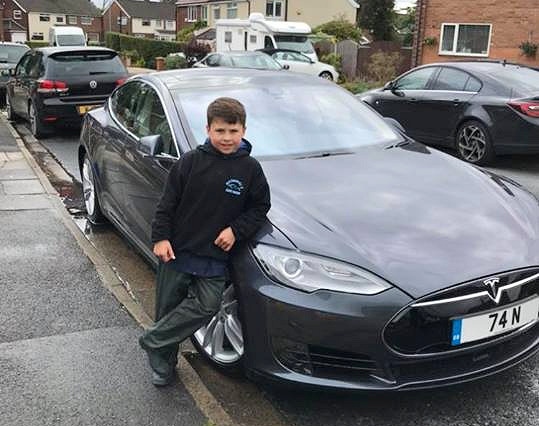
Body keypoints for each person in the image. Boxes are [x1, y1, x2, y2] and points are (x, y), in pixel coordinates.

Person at [139, 97, 271, 386]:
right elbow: (166, 204)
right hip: (176, 250)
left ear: (244, 131)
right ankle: (163, 363)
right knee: (168, 310)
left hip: (213, 255)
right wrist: (160, 238)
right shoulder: (190, 162)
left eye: (233, 131)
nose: (227, 138)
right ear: (208, 129)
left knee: (208, 305)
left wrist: (236, 230)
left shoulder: (250, 169)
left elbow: (260, 207)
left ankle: (153, 339)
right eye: (220, 131)